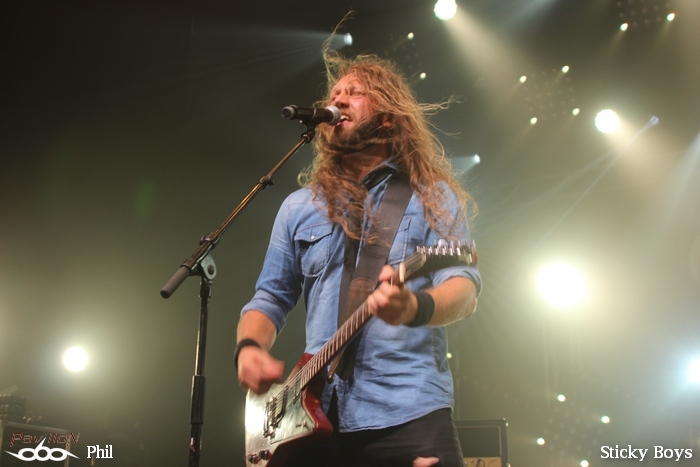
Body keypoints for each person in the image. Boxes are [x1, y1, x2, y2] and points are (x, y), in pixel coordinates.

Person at [235, 43, 482, 467]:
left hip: (407, 408)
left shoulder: (430, 196)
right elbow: (270, 297)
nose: (338, 99)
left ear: (388, 117)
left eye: (354, 93)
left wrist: (415, 307)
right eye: (334, 94)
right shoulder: (298, 207)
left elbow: (464, 289)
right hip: (310, 415)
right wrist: (248, 347)